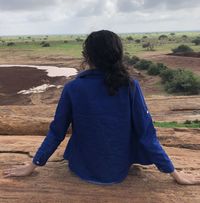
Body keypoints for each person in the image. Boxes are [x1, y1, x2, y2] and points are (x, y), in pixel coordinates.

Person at [3, 30, 200, 185]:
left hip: (82, 169)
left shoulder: (74, 87)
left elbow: (57, 131)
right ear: (118, 55)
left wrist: (33, 165)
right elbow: (146, 134)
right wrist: (173, 173)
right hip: (119, 170)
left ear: (87, 56)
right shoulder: (130, 86)